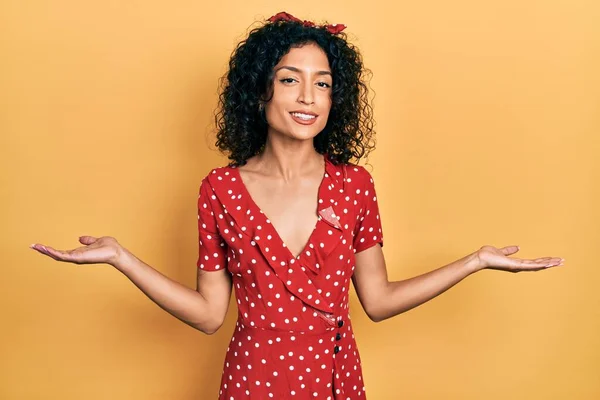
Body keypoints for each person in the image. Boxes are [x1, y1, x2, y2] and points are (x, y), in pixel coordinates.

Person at [29, 11, 565, 400]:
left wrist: (474, 261)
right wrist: (122, 258)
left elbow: (376, 300)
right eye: (291, 80)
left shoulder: (354, 185)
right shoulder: (219, 189)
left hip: (334, 382)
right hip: (250, 382)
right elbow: (210, 314)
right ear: (260, 93)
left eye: (323, 84)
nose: (309, 97)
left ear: (337, 99)